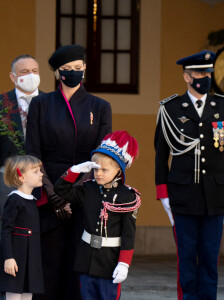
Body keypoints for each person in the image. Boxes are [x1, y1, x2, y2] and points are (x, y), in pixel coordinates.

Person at [26, 45, 112, 300]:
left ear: (85, 68)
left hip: (84, 194)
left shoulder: (100, 106)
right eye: (67, 70)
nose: (73, 73)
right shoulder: (40, 104)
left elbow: (102, 156)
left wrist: (73, 193)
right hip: (48, 192)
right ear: (57, 73)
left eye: (78, 68)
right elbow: (33, 154)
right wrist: (53, 194)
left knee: (79, 266)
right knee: (48, 265)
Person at [154, 50, 224, 300]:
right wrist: (163, 194)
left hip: (216, 194)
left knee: (211, 258)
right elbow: (161, 155)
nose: (206, 77)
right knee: (187, 258)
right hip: (182, 194)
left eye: (208, 72)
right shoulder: (170, 108)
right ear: (187, 77)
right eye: (200, 73)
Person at [53, 130, 141, 300]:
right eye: (95, 169)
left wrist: (124, 263)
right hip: (86, 260)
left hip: (110, 262)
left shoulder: (127, 197)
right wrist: (75, 170)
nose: (98, 174)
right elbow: (60, 190)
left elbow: (128, 234)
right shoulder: (88, 189)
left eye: (105, 170)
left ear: (118, 170)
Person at [0, 55, 42, 235]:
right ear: (12, 76)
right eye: (25, 72)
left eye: (34, 71)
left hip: (42, 181)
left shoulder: (52, 102)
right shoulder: (2, 103)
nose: (31, 75)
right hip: (7, 178)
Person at [0, 155, 44, 300]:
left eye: (40, 171)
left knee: (27, 295)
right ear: (21, 177)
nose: (41, 174)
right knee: (14, 294)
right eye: (36, 171)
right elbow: (6, 230)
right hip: (16, 258)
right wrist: (9, 257)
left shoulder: (32, 201)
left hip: (31, 259)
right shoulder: (14, 199)